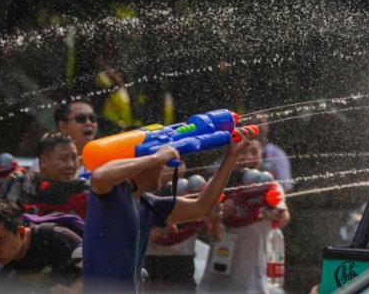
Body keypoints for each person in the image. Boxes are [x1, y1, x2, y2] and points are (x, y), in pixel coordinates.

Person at [82, 124, 257, 293]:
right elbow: (99, 175)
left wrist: (231, 157)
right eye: (161, 160)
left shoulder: (148, 204)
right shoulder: (114, 195)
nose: (167, 164)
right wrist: (155, 157)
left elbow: (201, 208)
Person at [198, 139, 290, 294]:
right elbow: (210, 230)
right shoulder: (216, 184)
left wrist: (277, 214)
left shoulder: (268, 186)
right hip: (216, 283)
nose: (248, 157)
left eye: (254, 151)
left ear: (261, 154)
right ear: (231, 153)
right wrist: (218, 215)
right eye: (242, 152)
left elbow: (284, 215)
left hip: (252, 283)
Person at [144, 160, 218, 293]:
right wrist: (159, 233)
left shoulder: (194, 195)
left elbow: (217, 237)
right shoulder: (144, 196)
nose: (175, 167)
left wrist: (216, 219)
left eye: (180, 162)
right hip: (153, 265)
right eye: (168, 162)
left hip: (183, 266)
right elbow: (133, 238)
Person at [0, 132, 88, 218]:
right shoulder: (21, 182)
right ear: (44, 160)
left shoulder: (82, 189)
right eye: (64, 158)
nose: (71, 165)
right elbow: (3, 223)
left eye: (74, 158)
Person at [55, 98, 99, 174]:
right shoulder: (49, 162)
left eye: (92, 118)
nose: (89, 123)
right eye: (80, 118)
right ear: (63, 127)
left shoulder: (105, 160)